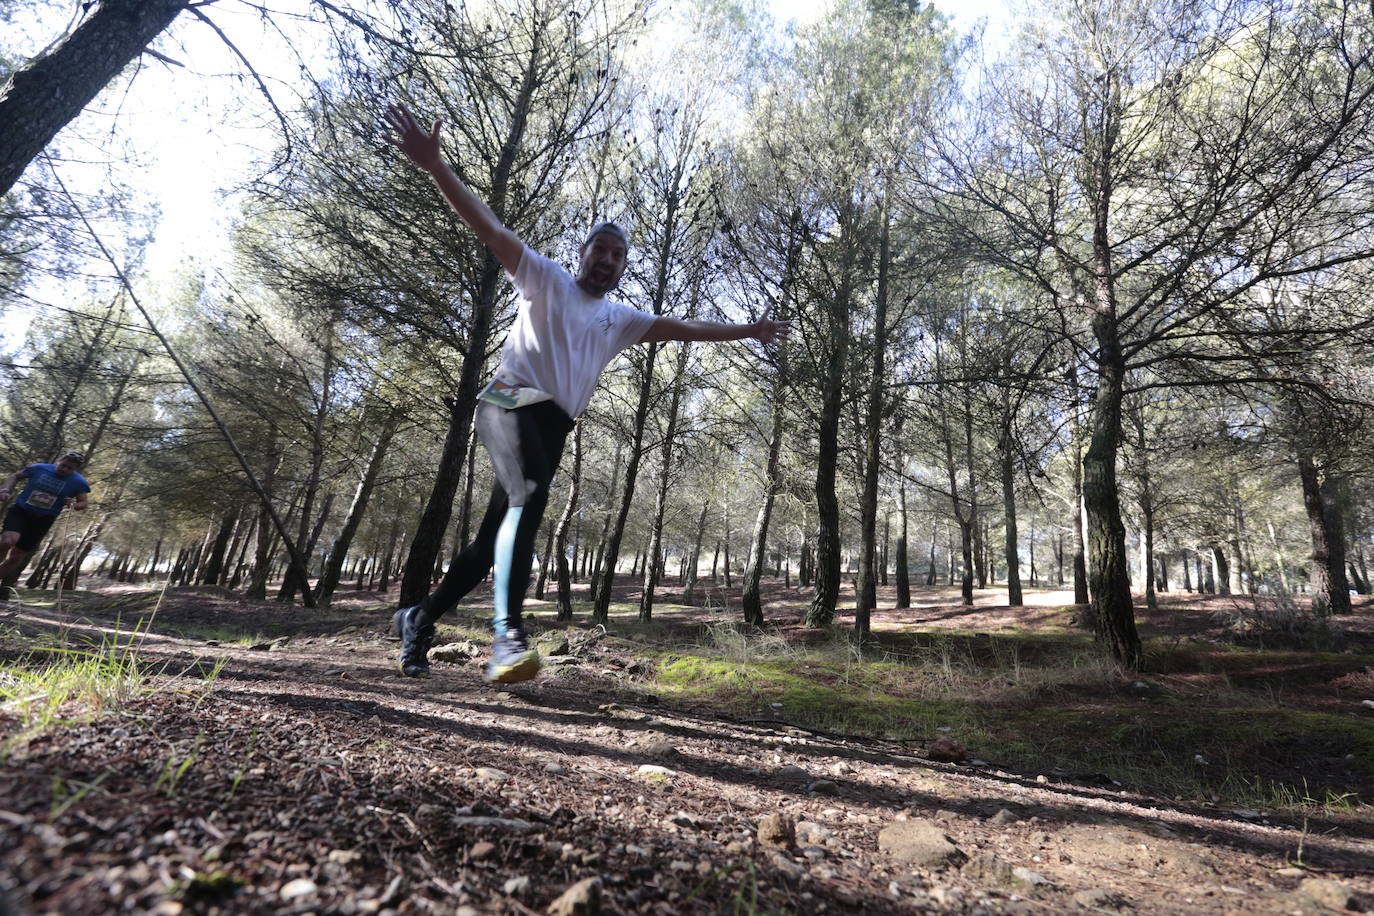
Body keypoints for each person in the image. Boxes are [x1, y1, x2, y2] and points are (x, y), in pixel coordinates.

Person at [383, 102, 790, 683]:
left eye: (619, 255)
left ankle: (418, 619)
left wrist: (748, 330)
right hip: (507, 403)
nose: (608, 259)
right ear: (583, 254)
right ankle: (507, 637)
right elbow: (490, 227)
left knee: (486, 543)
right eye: (600, 249)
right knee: (525, 498)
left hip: (552, 428)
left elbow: (687, 327)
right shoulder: (543, 277)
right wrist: (435, 167)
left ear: (624, 266)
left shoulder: (620, 319)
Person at [0, 451, 91, 599]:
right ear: (59, 461)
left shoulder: (79, 482)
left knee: (17, 556)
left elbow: (83, 503)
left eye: (70, 469)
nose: (65, 470)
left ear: (76, 469)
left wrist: (73, 504)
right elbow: (15, 476)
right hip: (21, 510)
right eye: (63, 465)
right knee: (8, 541)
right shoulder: (40, 468)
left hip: (43, 520)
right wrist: (5, 489)